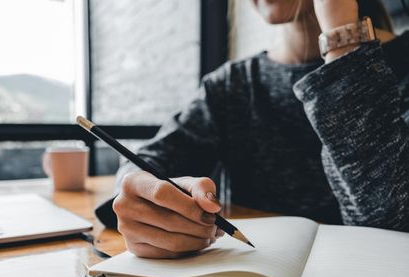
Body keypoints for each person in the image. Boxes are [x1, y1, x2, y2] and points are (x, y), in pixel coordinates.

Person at [95, 0, 409, 258]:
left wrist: (342, 42)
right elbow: (143, 167)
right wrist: (140, 198)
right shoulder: (232, 85)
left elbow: (390, 230)